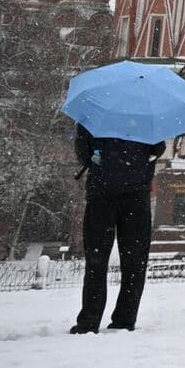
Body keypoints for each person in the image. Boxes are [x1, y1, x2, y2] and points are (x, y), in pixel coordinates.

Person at [70, 125, 165, 333]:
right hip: (137, 195)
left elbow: (82, 152)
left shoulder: (94, 116)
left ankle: (89, 320)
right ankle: (125, 317)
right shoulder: (146, 118)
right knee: (135, 262)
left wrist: (102, 162)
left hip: (101, 193)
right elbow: (159, 149)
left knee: (96, 260)